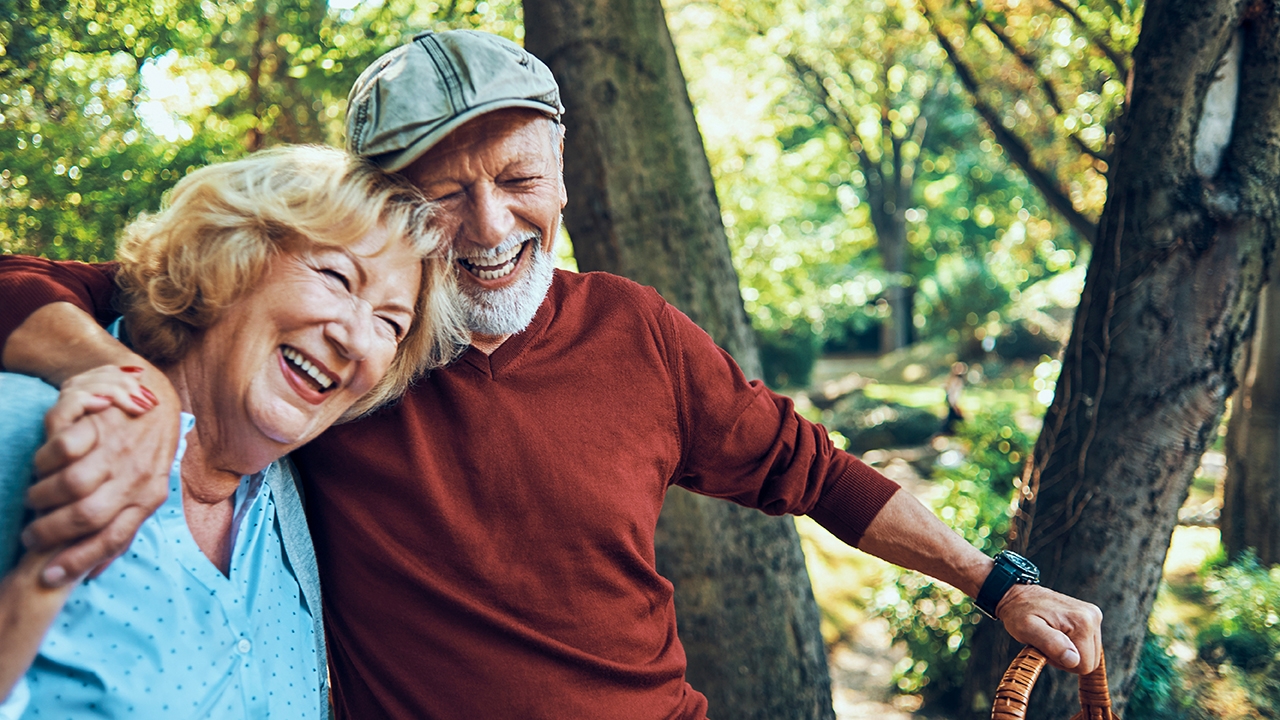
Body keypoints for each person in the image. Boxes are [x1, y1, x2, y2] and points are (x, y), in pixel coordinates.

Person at [0, 31, 1102, 719]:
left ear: (561, 172)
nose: (489, 224)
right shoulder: (327, 353)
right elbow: (64, 284)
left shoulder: (637, 333)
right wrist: (112, 377)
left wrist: (999, 584)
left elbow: (815, 472)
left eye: (519, 176)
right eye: (441, 192)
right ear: (384, 215)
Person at [0, 145, 465, 717]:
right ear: (230, 257)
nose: (356, 340)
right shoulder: (27, 429)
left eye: (391, 324)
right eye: (336, 277)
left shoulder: (297, 510)